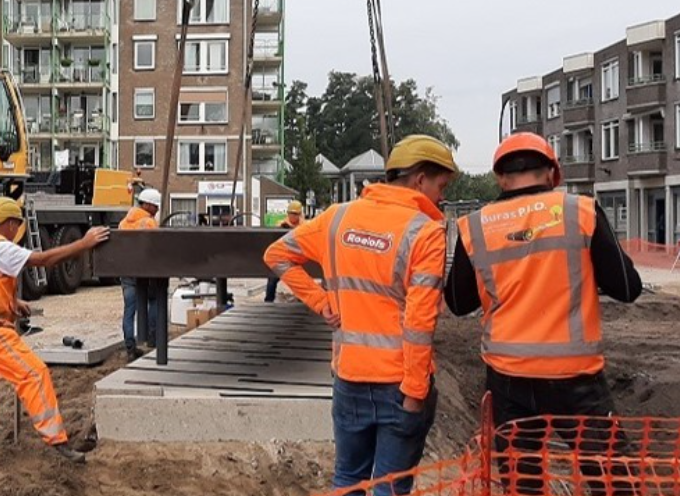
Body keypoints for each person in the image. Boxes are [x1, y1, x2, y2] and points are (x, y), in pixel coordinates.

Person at [445, 133, 642, 495]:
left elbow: (458, 302)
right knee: (612, 482)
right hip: (576, 377)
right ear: (554, 172)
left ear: (500, 178)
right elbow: (628, 288)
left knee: (524, 484)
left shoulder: (475, 227)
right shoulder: (579, 211)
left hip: (508, 379)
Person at [263, 135, 459, 495]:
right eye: (440, 186)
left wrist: (321, 300)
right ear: (419, 180)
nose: (441, 197)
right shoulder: (426, 233)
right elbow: (420, 322)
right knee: (390, 488)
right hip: (400, 386)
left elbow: (277, 255)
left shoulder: (337, 218)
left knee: (348, 480)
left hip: (349, 378)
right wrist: (415, 392)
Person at [0, 197, 110, 479]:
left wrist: (13, 301)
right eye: (17, 225)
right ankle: (57, 441)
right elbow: (44, 260)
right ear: (10, 223)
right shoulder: (1, 247)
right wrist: (83, 244)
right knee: (34, 374)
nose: (18, 231)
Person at [119, 188, 162, 359]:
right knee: (154, 299)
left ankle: (130, 347)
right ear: (148, 205)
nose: (157, 210)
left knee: (129, 310)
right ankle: (153, 339)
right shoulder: (149, 223)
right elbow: (156, 249)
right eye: (156, 207)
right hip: (145, 270)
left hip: (127, 271)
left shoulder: (123, 222)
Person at [264, 201, 306, 302]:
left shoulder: (304, 226)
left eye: (295, 214)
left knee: (302, 280)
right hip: (282, 258)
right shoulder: (281, 225)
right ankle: (268, 300)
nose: (293, 216)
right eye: (291, 213)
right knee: (272, 278)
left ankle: (302, 300)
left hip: (298, 259)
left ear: (300, 214)